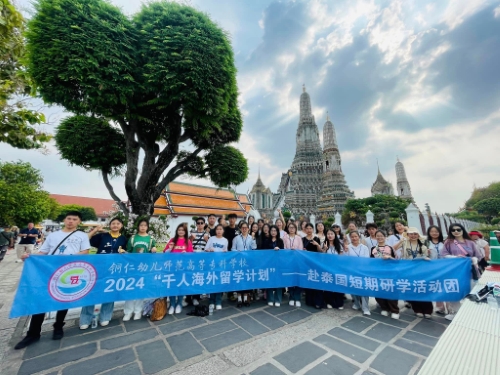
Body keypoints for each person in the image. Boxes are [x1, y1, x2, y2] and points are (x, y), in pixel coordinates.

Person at [14, 212, 90, 349]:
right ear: (64, 220)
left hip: (69, 271)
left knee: (64, 298)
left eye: (74, 219)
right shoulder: (53, 236)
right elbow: (43, 252)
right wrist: (30, 256)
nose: (71, 221)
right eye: (69, 219)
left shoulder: (82, 236)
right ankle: (33, 333)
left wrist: (68, 257)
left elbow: (85, 251)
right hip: (50, 271)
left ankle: (58, 326)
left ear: (79, 222)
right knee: (41, 300)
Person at [80, 218, 128, 329]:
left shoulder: (124, 239)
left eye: (118, 223)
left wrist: (124, 252)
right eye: (113, 223)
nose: (115, 225)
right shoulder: (103, 236)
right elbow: (85, 239)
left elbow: (128, 253)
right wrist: (96, 230)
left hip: (114, 269)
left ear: (121, 226)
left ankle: (105, 316)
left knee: (109, 292)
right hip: (98, 268)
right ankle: (85, 319)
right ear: (110, 225)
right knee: (92, 292)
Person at [440, 223, 482, 321]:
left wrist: (473, 260)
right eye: (453, 230)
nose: (456, 232)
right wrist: (455, 257)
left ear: (463, 230)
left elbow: (478, 256)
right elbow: (443, 255)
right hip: (455, 272)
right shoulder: (448, 242)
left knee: (471, 293)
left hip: (470, 272)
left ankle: (471, 314)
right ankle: (457, 314)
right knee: (453, 293)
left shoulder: (470, 243)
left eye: (458, 229)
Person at [122, 218, 157, 321]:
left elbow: (152, 253)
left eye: (144, 225)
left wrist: (153, 250)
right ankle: (128, 312)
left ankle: (138, 311)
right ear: (138, 227)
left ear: (147, 227)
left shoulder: (151, 239)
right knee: (130, 288)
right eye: (141, 225)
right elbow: (128, 251)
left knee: (140, 288)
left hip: (144, 267)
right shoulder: (133, 238)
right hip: (133, 267)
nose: (142, 227)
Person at [164, 223, 193, 314]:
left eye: (183, 230)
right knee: (172, 286)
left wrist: (186, 254)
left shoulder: (187, 241)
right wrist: (170, 249)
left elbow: (191, 255)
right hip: (172, 267)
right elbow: (165, 252)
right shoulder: (172, 240)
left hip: (182, 268)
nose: (181, 231)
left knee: (181, 286)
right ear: (177, 231)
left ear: (185, 232)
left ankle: (179, 303)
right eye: (179, 230)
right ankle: (172, 304)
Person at [370, 230, 399, 319]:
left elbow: (397, 260)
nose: (379, 237)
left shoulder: (390, 248)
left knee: (391, 291)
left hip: (389, 273)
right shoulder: (373, 248)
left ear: (385, 237)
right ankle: (384, 308)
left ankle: (394, 310)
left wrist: (389, 257)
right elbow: (371, 261)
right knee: (379, 291)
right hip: (378, 273)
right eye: (377, 236)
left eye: (381, 236)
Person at [345, 231, 371, 316]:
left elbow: (367, 260)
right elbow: (346, 260)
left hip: (363, 271)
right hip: (352, 271)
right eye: (352, 237)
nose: (354, 238)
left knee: (364, 289)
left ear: (359, 237)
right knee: (353, 289)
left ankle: (365, 308)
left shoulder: (364, 247)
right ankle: (356, 303)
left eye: (356, 236)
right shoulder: (347, 247)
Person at [231, 221, 256, 307]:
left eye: (246, 228)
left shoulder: (251, 238)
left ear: (248, 229)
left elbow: (254, 248)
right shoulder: (236, 238)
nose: (244, 229)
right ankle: (239, 299)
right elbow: (232, 249)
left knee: (246, 279)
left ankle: (245, 299)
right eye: (243, 228)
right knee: (239, 279)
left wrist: (253, 239)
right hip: (239, 262)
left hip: (248, 262)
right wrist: (237, 252)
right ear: (240, 229)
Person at [205, 224, 228, 311]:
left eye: (220, 229)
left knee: (219, 283)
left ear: (223, 231)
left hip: (220, 264)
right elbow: (206, 249)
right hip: (212, 264)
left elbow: (226, 252)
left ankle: (218, 301)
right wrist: (210, 249)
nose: (219, 231)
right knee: (212, 282)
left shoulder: (225, 240)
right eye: (217, 229)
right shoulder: (211, 239)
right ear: (215, 231)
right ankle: (211, 301)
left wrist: (225, 251)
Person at [322, 229, 344, 309]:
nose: (330, 235)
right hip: (327, 269)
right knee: (329, 286)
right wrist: (324, 249)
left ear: (335, 235)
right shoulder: (324, 244)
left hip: (337, 269)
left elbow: (341, 257)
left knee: (338, 286)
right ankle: (329, 302)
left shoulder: (339, 245)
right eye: (328, 234)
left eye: (332, 234)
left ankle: (339, 303)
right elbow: (322, 257)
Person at [262, 225, 284, 307]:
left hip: (278, 264)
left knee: (278, 281)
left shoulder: (280, 241)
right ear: (270, 231)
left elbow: (283, 252)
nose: (273, 232)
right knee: (270, 281)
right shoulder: (266, 241)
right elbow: (264, 252)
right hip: (269, 264)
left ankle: (278, 299)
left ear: (277, 232)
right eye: (272, 230)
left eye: (275, 230)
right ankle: (270, 299)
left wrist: (279, 250)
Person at [302, 223, 323, 308]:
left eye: (310, 228)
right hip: (306, 263)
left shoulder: (316, 238)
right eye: (307, 228)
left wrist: (317, 245)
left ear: (313, 229)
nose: (309, 230)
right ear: (305, 230)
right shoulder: (302, 239)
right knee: (309, 281)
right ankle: (309, 301)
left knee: (316, 281)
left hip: (315, 263)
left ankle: (318, 302)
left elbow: (320, 251)